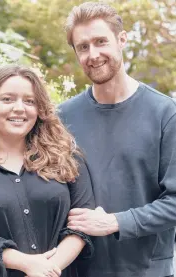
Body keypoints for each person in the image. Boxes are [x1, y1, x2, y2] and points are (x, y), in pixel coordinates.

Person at [0, 65, 94, 277]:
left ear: (39, 109)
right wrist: (25, 264)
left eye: (29, 101)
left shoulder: (68, 160)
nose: (19, 108)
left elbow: (82, 224)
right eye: (7, 99)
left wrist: (48, 270)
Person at [59, 2, 176, 277]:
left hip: (148, 271)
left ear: (121, 40)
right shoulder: (62, 117)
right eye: (83, 47)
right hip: (79, 270)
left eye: (101, 41)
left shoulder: (165, 113)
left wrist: (115, 222)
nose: (93, 54)